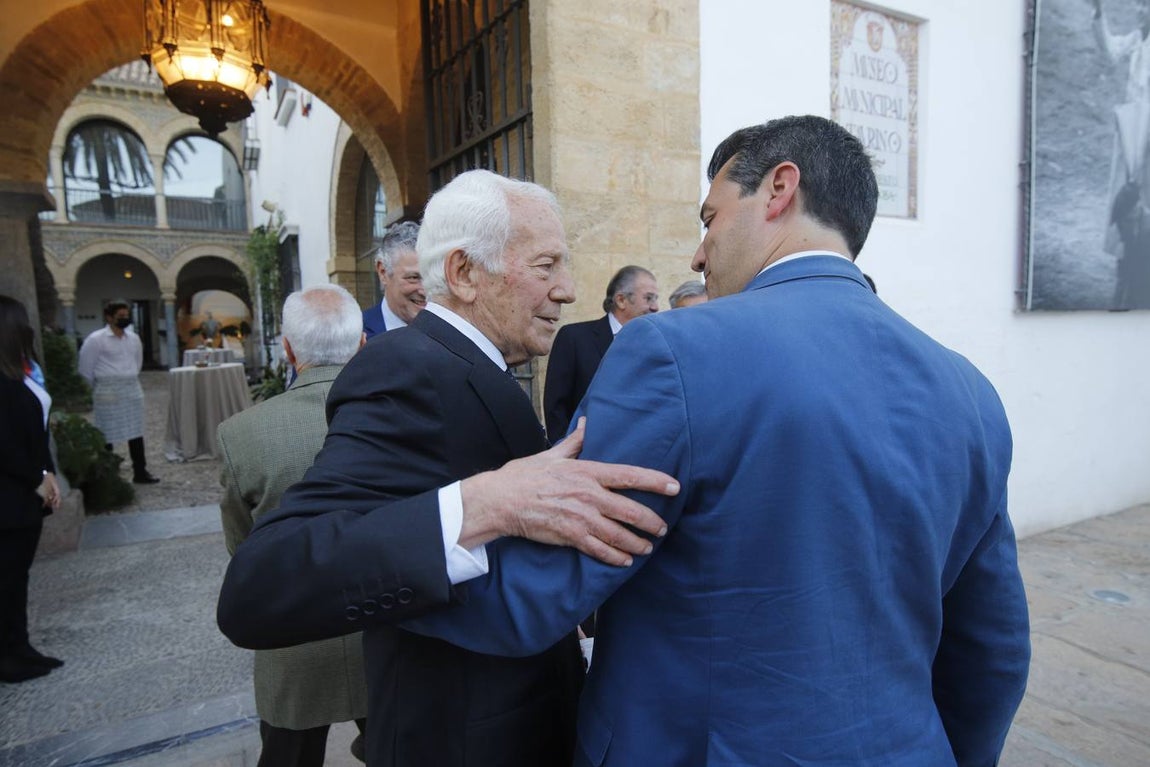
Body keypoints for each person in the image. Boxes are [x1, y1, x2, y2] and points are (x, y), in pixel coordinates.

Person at [403, 116, 1032, 767]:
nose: (699, 253)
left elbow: (537, 592)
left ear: (779, 189)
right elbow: (992, 651)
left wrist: (373, 559)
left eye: (710, 217)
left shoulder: (673, 351)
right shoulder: (972, 393)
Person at [217, 169, 679, 767]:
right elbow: (261, 585)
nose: (567, 289)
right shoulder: (406, 368)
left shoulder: (476, 364)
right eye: (546, 266)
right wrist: (485, 504)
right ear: (464, 273)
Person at [217, 284, 369, 766]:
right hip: (384, 625)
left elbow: (244, 548)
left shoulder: (240, 432)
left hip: (293, 628)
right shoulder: (401, 416)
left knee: (288, 756)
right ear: (363, 344)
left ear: (287, 349)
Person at [0, 295, 64, 684]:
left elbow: (36, 430)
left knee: (16, 576)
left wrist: (49, 472)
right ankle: (9, 654)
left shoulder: (21, 372)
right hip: (10, 496)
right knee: (7, 578)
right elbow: (5, 443)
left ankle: (19, 647)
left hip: (27, 490)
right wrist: (36, 478)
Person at [543, 265, 659, 443]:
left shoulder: (653, 345)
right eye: (648, 298)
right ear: (621, 300)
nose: (656, 307)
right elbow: (556, 406)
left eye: (655, 299)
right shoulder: (574, 338)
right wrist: (565, 453)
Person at [1093, 0, 1150, 307]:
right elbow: (1111, 51)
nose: (1139, 11)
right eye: (1139, 4)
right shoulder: (1138, 38)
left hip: (1149, 142)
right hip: (1132, 136)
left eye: (1145, 5)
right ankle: (1123, 274)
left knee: (1143, 209)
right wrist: (1099, 14)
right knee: (1126, 206)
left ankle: (1138, 281)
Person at [77, 300, 158, 484]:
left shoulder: (134, 338)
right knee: (107, 432)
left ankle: (140, 471)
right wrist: (104, 382)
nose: (125, 319)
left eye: (126, 316)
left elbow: (137, 361)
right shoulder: (96, 339)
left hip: (131, 388)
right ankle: (108, 474)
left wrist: (127, 376)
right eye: (120, 316)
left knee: (136, 431)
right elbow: (85, 368)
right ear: (109, 317)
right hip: (107, 389)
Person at [362, 221, 426, 339]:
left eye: (429, 277)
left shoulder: (451, 332)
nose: (424, 291)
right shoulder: (358, 335)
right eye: (413, 278)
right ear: (383, 272)